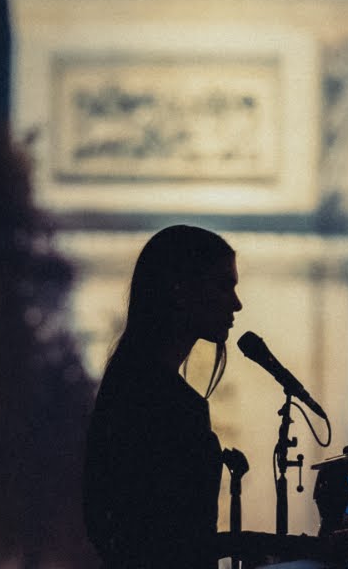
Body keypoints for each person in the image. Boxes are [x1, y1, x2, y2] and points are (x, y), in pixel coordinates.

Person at [83, 225, 243, 569]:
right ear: (180, 289)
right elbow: (177, 537)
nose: (236, 303)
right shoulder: (168, 404)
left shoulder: (127, 386)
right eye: (223, 285)